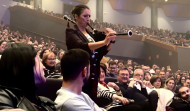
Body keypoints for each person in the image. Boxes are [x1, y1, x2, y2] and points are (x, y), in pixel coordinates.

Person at [66, 4, 117, 101]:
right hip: (79, 74)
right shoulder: (71, 31)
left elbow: (101, 52)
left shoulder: (90, 34)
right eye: (85, 16)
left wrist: (111, 40)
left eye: (89, 16)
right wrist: (104, 41)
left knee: (92, 100)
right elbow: (81, 46)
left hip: (93, 73)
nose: (88, 19)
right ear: (76, 17)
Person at [0, 43, 56, 111]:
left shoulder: (46, 102)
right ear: (25, 66)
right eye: (39, 62)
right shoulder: (4, 97)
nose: (44, 67)